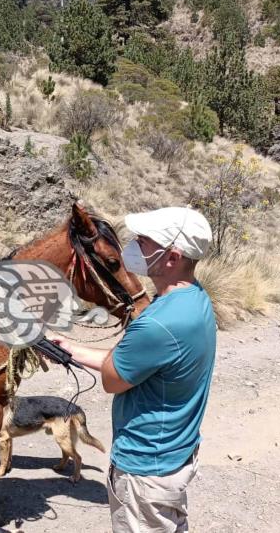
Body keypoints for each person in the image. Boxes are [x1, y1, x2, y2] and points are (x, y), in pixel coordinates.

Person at [54, 207, 216, 533]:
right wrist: (70, 349)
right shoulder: (194, 300)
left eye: (143, 241)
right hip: (173, 456)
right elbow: (140, 364)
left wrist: (131, 339)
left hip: (145, 471)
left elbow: (113, 380)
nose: (133, 246)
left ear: (171, 257)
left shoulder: (157, 323)